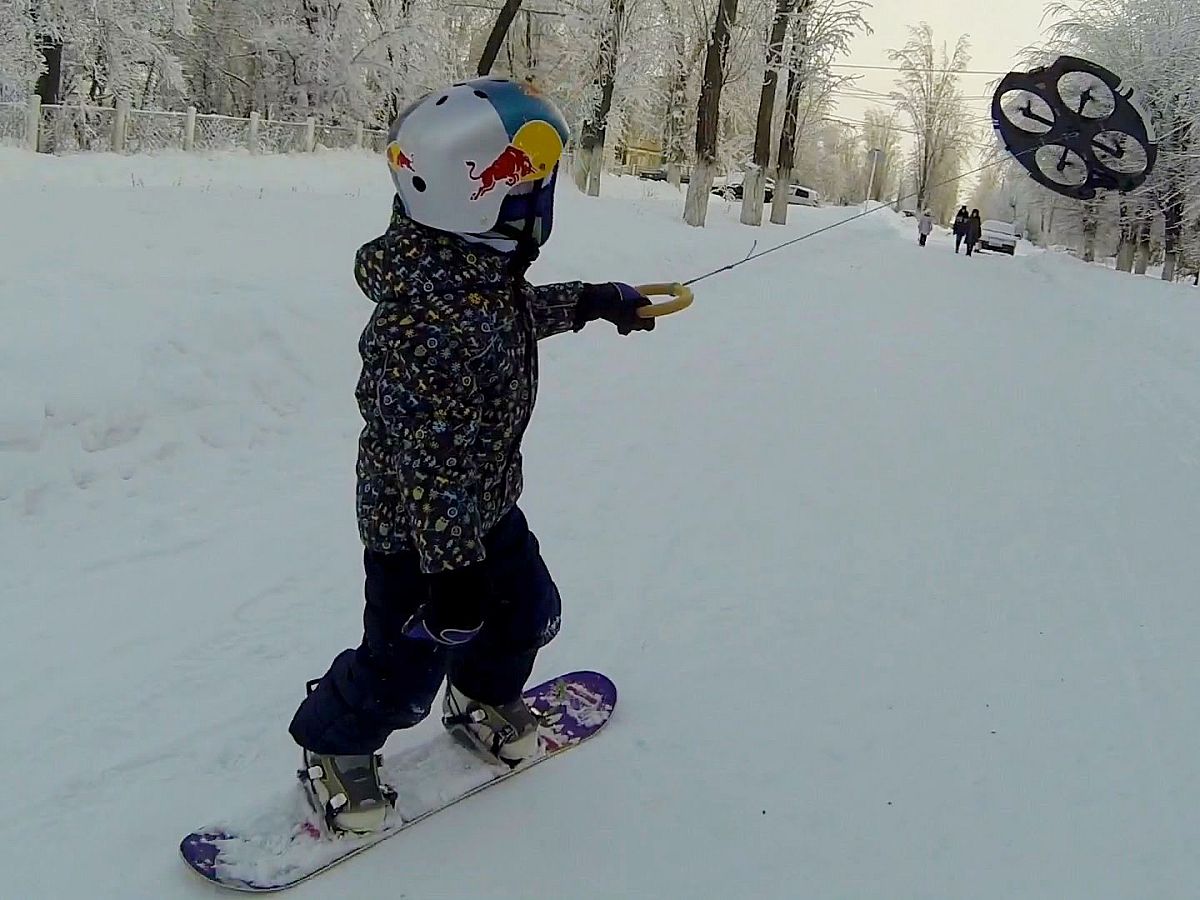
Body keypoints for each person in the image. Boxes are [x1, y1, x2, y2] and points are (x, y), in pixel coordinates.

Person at [287, 77, 656, 835]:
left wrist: (592, 302)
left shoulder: (469, 268)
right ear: (477, 194)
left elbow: (508, 316)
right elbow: (426, 466)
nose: (539, 197)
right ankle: (334, 746)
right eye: (528, 180)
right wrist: (451, 575)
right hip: (416, 542)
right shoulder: (421, 325)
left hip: (486, 509)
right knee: (402, 668)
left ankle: (482, 695)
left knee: (527, 613)